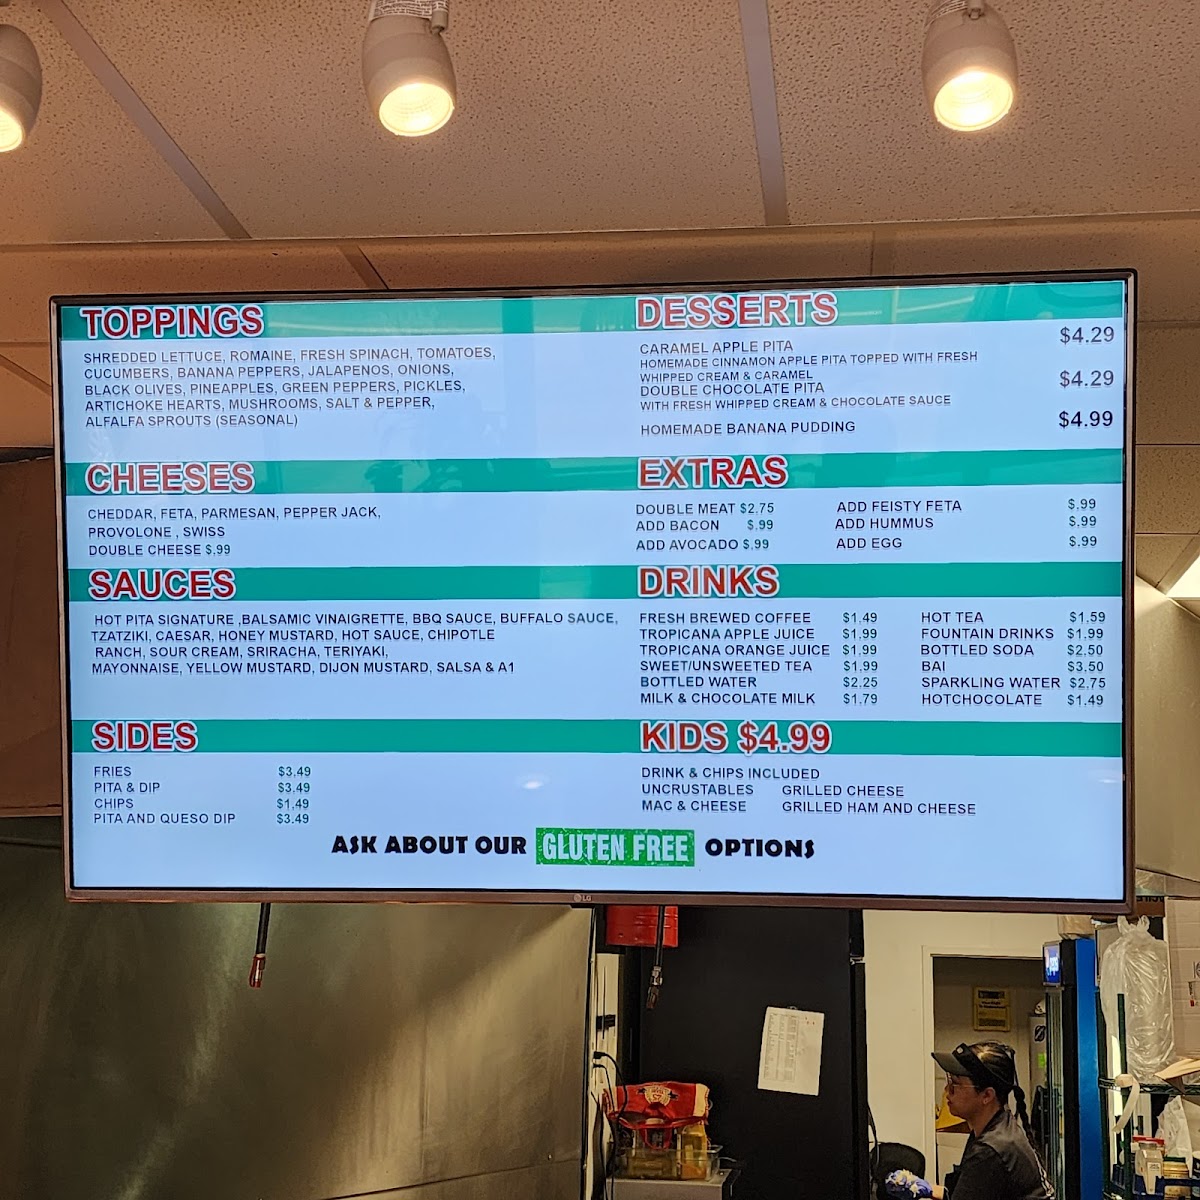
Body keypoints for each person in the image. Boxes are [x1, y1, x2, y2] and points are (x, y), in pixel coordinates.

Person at [885, 1041, 1054, 1200]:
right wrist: (927, 1188)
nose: (947, 1090)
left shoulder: (991, 1149)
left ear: (987, 1095)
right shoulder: (995, 1127)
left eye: (955, 1084)